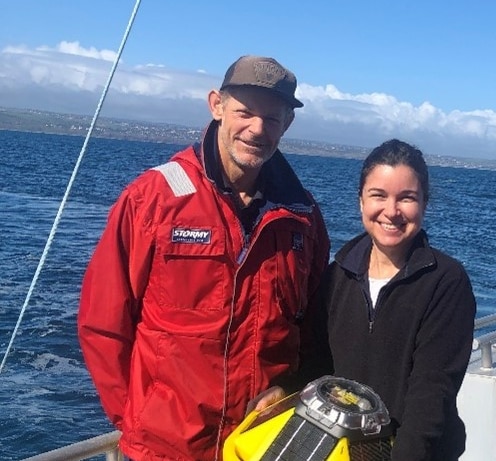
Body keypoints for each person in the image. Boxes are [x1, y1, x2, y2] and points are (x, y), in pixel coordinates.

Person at [77, 55, 330, 461]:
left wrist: (293, 386)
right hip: (165, 448)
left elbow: (313, 325)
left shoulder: (302, 218)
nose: (257, 129)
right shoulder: (152, 200)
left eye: (273, 118)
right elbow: (103, 322)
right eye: (244, 112)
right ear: (216, 106)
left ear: (288, 124)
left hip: (259, 445)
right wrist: (135, 419)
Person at [253, 139, 476, 459]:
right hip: (340, 450)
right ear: (360, 202)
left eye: (407, 198)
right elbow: (317, 368)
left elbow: (431, 398)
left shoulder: (445, 282)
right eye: (378, 195)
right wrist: (286, 390)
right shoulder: (336, 276)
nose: (391, 211)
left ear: (424, 203)